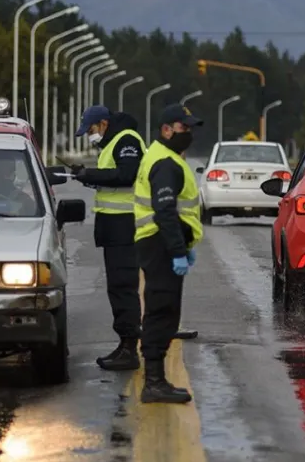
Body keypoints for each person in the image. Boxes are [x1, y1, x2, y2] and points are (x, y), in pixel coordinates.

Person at [133, 103, 204, 403]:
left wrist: (183, 247)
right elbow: (165, 210)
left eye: (189, 128)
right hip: (160, 244)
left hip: (160, 244)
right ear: (166, 129)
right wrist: (177, 250)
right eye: (183, 127)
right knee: (161, 311)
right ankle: (154, 382)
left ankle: (156, 379)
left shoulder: (164, 156)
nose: (187, 133)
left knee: (163, 309)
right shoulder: (165, 163)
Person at [70, 105, 146, 371]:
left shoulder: (126, 140)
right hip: (114, 226)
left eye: (91, 130)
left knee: (123, 286)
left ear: (103, 123)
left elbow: (126, 176)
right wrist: (86, 177)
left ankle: (129, 348)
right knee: (117, 286)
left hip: (126, 225)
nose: (91, 136)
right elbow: (111, 178)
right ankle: (125, 344)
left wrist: (89, 174)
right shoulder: (113, 141)